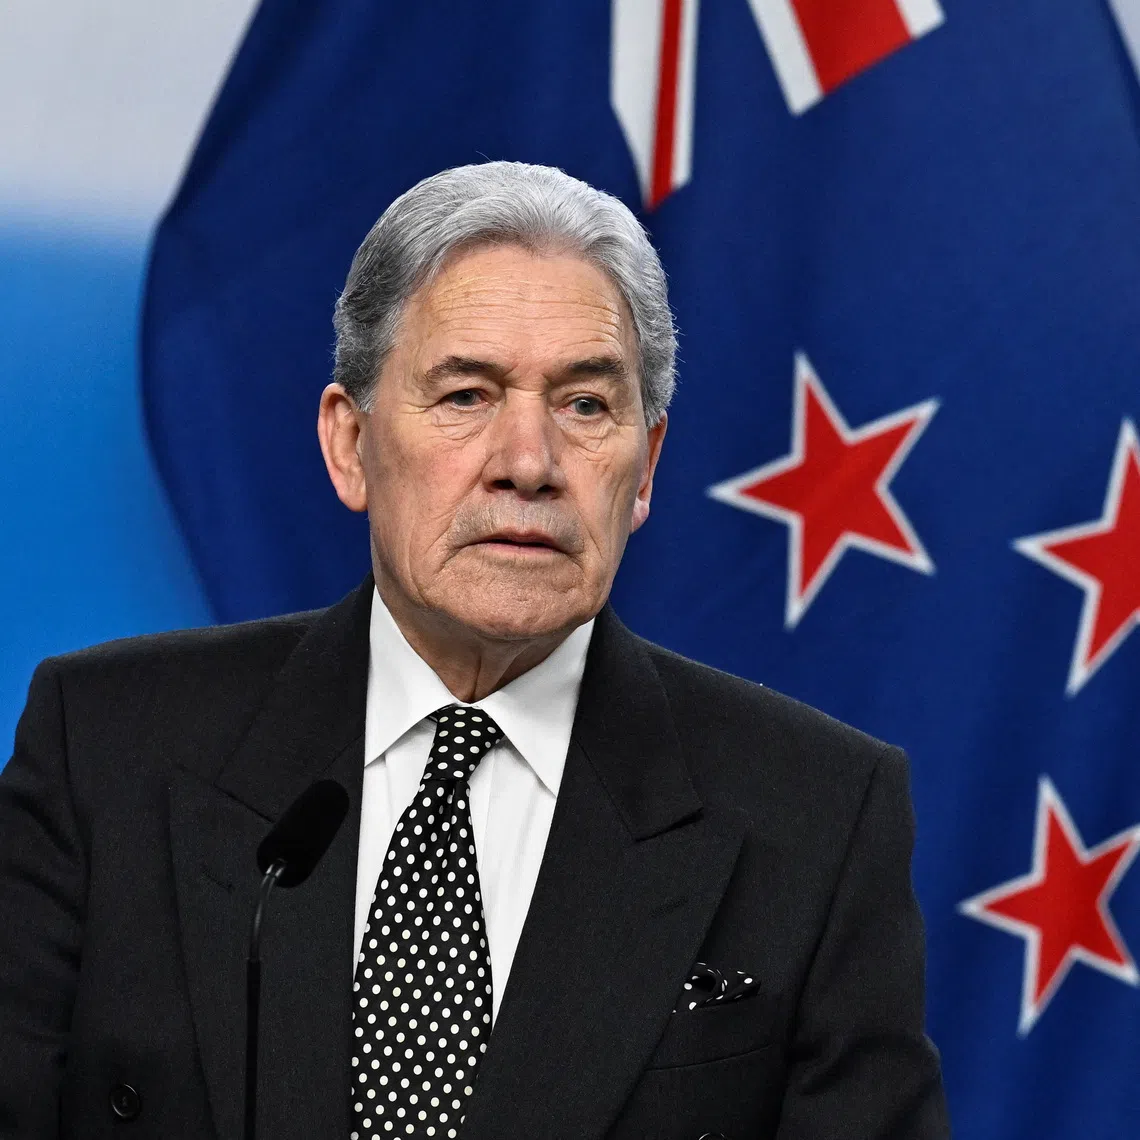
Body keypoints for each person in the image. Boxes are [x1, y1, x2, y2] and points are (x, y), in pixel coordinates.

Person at [0, 161, 949, 1140]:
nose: (529, 463)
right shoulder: (107, 747)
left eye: (585, 405)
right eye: (466, 394)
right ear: (349, 443)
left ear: (645, 468)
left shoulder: (819, 814)